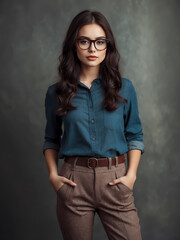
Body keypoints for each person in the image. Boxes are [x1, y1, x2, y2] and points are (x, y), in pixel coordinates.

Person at [43, 9, 145, 240]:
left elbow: (135, 135)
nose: (92, 49)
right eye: (84, 41)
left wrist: (131, 176)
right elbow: (51, 138)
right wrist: (52, 175)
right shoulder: (56, 93)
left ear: (108, 45)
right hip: (73, 183)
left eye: (100, 42)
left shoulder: (124, 88)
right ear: (73, 44)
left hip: (115, 180)